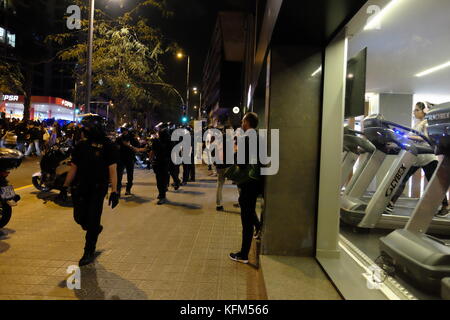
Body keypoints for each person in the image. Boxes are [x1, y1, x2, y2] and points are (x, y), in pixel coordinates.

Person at [62, 115, 120, 266]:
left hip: (97, 189)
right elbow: (73, 168)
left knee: (93, 219)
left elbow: (113, 170)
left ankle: (89, 251)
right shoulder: (81, 146)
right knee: (80, 218)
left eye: (86, 126)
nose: (83, 129)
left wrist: (114, 191)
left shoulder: (108, 146)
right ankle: (94, 228)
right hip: (80, 187)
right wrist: (64, 187)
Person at [386, 102, 449, 217]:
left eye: (416, 110)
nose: (414, 112)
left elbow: (424, 137)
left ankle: (445, 206)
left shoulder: (426, 123)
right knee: (402, 179)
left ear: (423, 111)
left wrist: (405, 136)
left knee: (435, 183)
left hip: (428, 158)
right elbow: (412, 138)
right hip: (416, 157)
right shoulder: (417, 124)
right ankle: (390, 204)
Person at [229, 112, 263, 264]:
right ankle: (258, 230)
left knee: (246, 219)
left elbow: (241, 162)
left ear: (247, 122)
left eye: (243, 121)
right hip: (256, 181)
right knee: (249, 214)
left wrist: (235, 152)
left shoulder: (246, 138)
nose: (242, 124)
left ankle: (243, 254)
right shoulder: (258, 137)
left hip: (247, 181)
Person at [115, 125, 143, 196]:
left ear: (127, 130)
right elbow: (115, 147)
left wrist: (129, 145)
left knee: (130, 175)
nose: (123, 132)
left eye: (125, 130)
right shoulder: (119, 138)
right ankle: (118, 191)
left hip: (130, 158)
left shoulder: (132, 138)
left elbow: (137, 148)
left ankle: (128, 189)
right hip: (121, 159)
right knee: (119, 176)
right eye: (122, 130)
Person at [149, 123, 172, 205]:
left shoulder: (156, 141)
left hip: (159, 162)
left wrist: (151, 161)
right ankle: (162, 194)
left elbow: (152, 152)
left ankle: (162, 195)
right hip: (164, 162)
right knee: (163, 179)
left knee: (159, 180)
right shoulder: (169, 141)